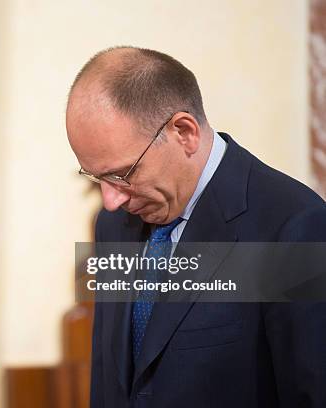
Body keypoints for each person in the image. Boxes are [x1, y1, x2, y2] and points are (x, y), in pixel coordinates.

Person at [66, 46, 326, 408]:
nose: (110, 200)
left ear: (184, 132)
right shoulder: (111, 225)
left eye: (121, 174)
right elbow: (109, 382)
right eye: (96, 177)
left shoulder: (293, 227)